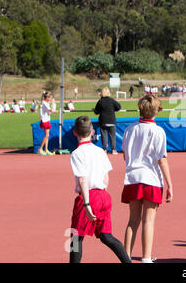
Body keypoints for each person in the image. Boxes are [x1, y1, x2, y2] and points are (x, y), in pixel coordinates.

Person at [69, 116, 131, 263]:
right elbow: (105, 178)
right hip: (103, 195)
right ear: (92, 131)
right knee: (106, 236)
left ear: (74, 132)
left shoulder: (77, 153)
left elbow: (82, 179)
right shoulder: (100, 151)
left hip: (89, 196)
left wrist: (86, 203)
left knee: (76, 237)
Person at [121, 95, 173, 263]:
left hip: (133, 177)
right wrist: (169, 184)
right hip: (150, 178)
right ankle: (146, 258)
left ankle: (126, 256)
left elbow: (125, 155)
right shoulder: (158, 131)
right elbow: (162, 159)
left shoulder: (130, 129)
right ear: (156, 111)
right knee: (148, 221)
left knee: (132, 220)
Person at [93, 87, 121, 155]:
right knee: (112, 136)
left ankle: (104, 149)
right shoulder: (112, 100)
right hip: (111, 120)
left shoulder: (100, 101)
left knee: (104, 135)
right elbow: (118, 107)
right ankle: (113, 149)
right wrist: (112, 109)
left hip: (103, 121)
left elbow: (96, 111)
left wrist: (94, 110)